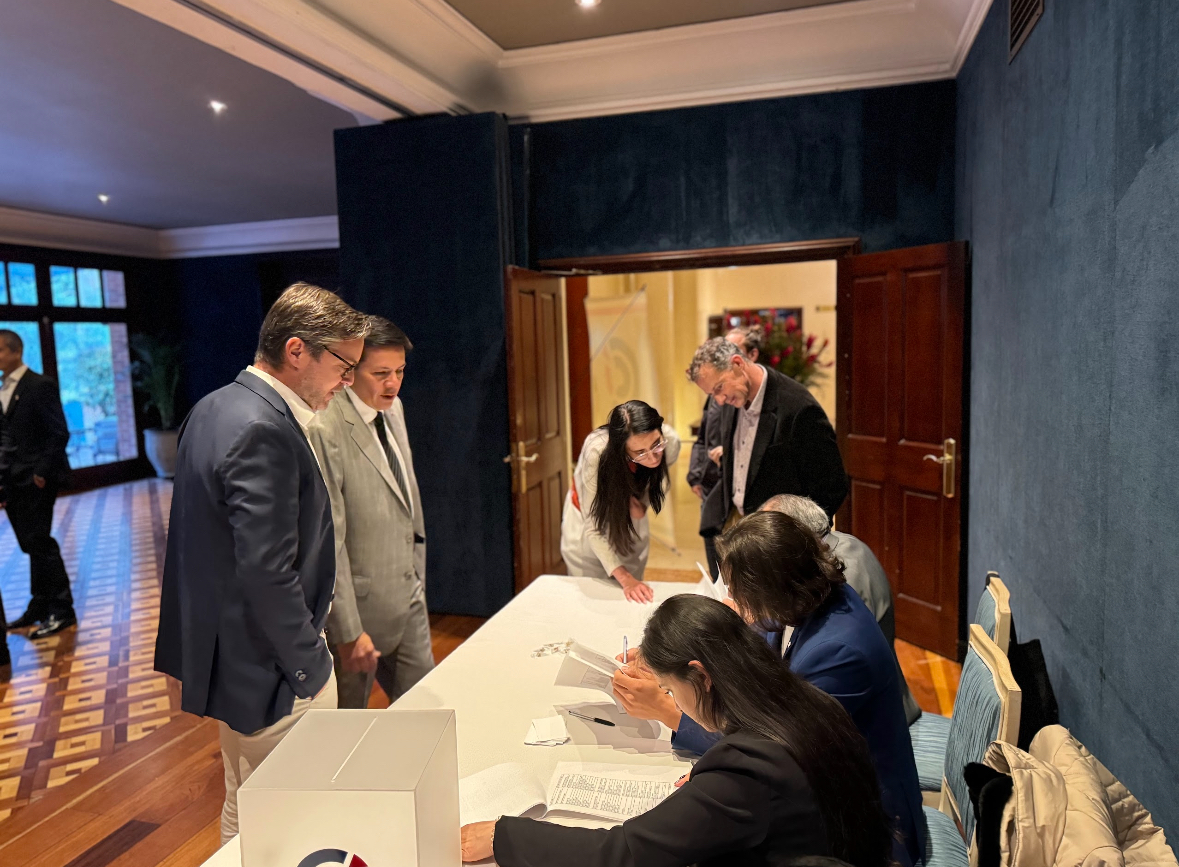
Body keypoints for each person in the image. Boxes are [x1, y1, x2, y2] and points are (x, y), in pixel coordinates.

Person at [154, 283, 368, 843]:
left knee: (245, 802)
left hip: (234, 657)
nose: (348, 382)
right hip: (274, 667)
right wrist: (309, 667)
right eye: (344, 366)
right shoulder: (263, 427)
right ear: (297, 350)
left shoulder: (214, 405)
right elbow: (266, 571)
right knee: (295, 824)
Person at [460, 594, 893, 867]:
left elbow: (624, 853)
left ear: (701, 676)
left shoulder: (747, 771)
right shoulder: (805, 700)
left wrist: (504, 836)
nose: (673, 702)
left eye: (670, 690)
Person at [613, 512, 926, 867]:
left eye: (737, 589)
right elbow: (758, 659)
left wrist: (667, 711)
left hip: (869, 831)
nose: (731, 596)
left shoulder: (838, 652)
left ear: (769, 587)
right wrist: (669, 658)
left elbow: (777, 745)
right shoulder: (806, 601)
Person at [307, 316, 434, 709]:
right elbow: (331, 537)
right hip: (359, 613)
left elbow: (405, 498)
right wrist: (347, 631)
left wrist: (416, 575)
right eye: (381, 374)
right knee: (349, 727)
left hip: (408, 593)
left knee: (425, 713)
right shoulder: (326, 428)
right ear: (349, 373)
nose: (393, 383)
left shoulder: (394, 410)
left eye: (400, 371)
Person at [759, 494, 922, 725]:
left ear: (796, 538)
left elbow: (822, 670)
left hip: (867, 719)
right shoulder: (839, 545)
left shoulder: (838, 578)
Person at [686, 338, 847, 541]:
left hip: (780, 538)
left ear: (737, 364)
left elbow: (832, 487)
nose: (719, 400)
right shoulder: (733, 398)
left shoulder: (798, 408)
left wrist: (797, 536)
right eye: (712, 394)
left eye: (719, 388)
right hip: (738, 524)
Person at [560, 400, 680, 602]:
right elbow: (593, 528)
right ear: (622, 449)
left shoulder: (670, 442)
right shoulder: (597, 453)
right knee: (594, 597)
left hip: (628, 521)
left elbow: (656, 479)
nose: (652, 458)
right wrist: (625, 579)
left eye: (656, 445)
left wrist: (640, 502)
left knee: (632, 597)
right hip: (588, 526)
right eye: (640, 453)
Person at [0, 329, 75, 640]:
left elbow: (59, 432)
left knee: (40, 542)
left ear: (15, 352)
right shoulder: (4, 387)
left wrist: (41, 472)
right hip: (11, 481)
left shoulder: (39, 385)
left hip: (36, 480)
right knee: (30, 544)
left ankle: (62, 609)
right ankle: (40, 603)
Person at [688, 326, 763, 579]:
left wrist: (729, 455)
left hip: (742, 501)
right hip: (714, 492)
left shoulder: (748, 395)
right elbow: (702, 436)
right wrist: (695, 474)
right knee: (719, 574)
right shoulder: (718, 395)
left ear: (746, 357)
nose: (719, 398)